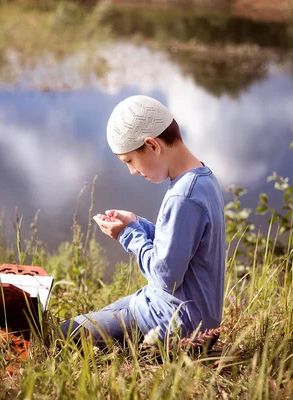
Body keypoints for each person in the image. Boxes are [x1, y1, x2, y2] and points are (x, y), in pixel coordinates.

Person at [60, 95, 225, 350]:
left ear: (152, 145)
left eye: (129, 161)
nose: (132, 171)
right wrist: (139, 223)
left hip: (178, 325)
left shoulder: (183, 197)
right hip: (183, 313)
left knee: (66, 332)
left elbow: (165, 276)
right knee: (108, 311)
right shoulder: (202, 179)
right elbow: (181, 245)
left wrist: (129, 235)